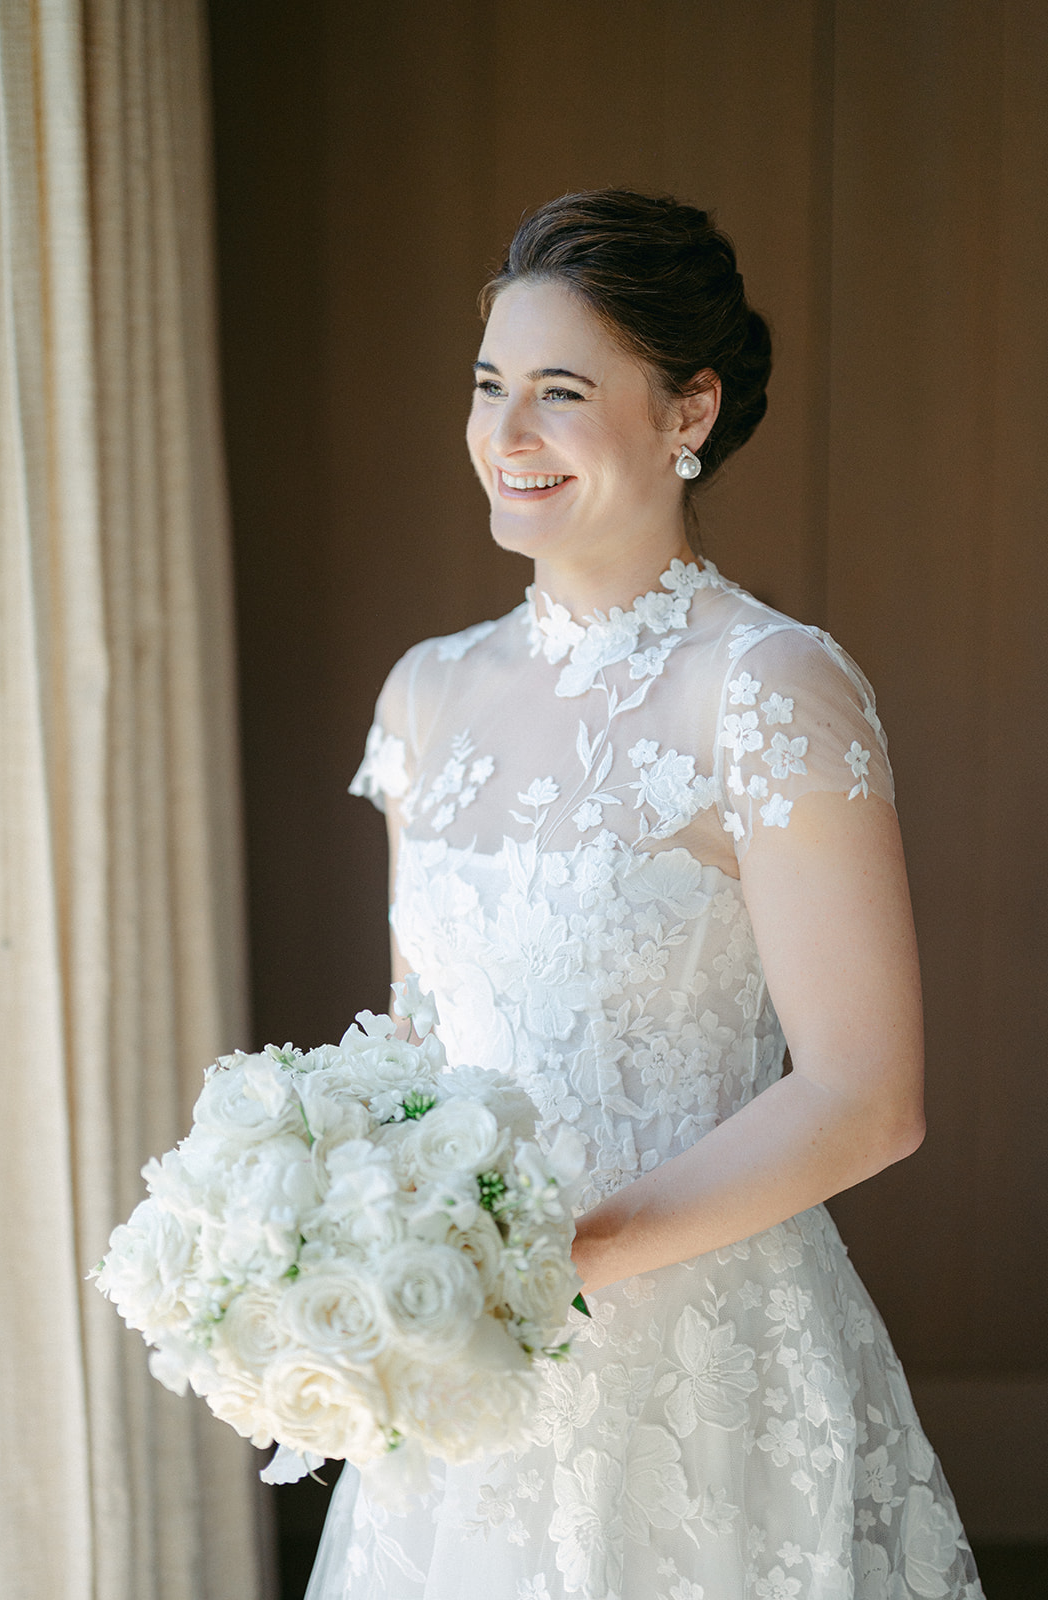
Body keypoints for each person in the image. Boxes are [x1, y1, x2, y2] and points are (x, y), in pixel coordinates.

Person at [307, 190, 984, 1600]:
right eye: (490, 387)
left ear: (687, 412)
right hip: (464, 1362)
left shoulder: (766, 686)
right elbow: (418, 1058)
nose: (506, 433)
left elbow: (868, 1095)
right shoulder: (427, 696)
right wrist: (350, 1245)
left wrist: (555, 1258)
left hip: (698, 1363)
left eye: (559, 392)